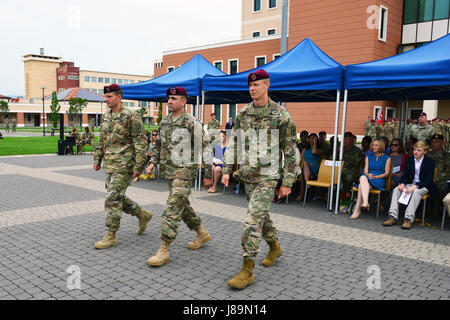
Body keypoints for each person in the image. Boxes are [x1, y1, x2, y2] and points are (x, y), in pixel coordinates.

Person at [221, 69, 297, 290]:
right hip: (248, 175)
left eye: (257, 85)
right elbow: (234, 142)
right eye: (250, 86)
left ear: (267, 85)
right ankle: (275, 247)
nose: (252, 88)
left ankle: (247, 270)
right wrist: (226, 169)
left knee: (252, 220)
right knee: (262, 216)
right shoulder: (243, 113)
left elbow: (291, 151)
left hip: (269, 176)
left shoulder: (281, 115)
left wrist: (288, 182)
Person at [146, 87, 213, 267]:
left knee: (172, 207)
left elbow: (205, 147)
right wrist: (152, 162)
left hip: (184, 172)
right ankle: (201, 232)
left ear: (184, 102)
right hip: (169, 171)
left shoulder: (192, 123)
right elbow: (158, 145)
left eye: (174, 98)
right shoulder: (165, 121)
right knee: (183, 207)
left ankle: (164, 248)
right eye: (169, 98)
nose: (169, 101)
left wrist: (207, 173)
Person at [93, 84, 152, 249]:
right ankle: (142, 214)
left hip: (125, 165)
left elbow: (141, 142)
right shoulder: (106, 116)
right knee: (117, 196)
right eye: (105, 97)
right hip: (110, 165)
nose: (106, 100)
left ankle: (111, 234)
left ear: (119, 97)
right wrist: (98, 158)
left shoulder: (131, 116)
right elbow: (102, 139)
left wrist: (139, 166)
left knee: (112, 198)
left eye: (109, 97)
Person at [383, 141, 436, 229]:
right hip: (411, 184)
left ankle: (408, 219)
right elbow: (405, 175)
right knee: (397, 189)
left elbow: (428, 179)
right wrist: (403, 183)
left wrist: (416, 186)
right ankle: (392, 217)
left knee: (416, 192)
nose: (416, 152)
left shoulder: (430, 162)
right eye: (415, 149)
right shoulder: (409, 160)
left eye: (419, 150)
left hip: (424, 185)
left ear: (425, 151)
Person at [350, 139, 391, 219]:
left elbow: (387, 173)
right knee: (362, 178)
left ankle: (358, 209)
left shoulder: (387, 158)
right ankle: (364, 203)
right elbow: (365, 171)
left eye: (376, 145)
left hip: (379, 179)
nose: (374, 147)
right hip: (369, 178)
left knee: (362, 184)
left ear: (381, 146)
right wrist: (369, 174)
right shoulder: (368, 157)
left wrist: (376, 177)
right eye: (373, 145)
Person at [427, 134, 450, 219]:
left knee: (442, 186)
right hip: (428, 179)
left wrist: (437, 178)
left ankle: (437, 208)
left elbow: (448, 173)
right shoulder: (427, 155)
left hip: (441, 180)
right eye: (432, 142)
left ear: (442, 143)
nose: (433, 144)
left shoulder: (447, 156)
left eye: (436, 142)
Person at [297, 133, 322, 201]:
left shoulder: (319, 150)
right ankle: (307, 184)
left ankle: (301, 194)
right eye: (311, 139)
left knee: (304, 165)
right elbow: (300, 159)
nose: (312, 140)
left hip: (314, 168)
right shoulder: (304, 149)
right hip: (304, 168)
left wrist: (315, 143)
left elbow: (314, 152)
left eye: (313, 139)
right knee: (304, 165)